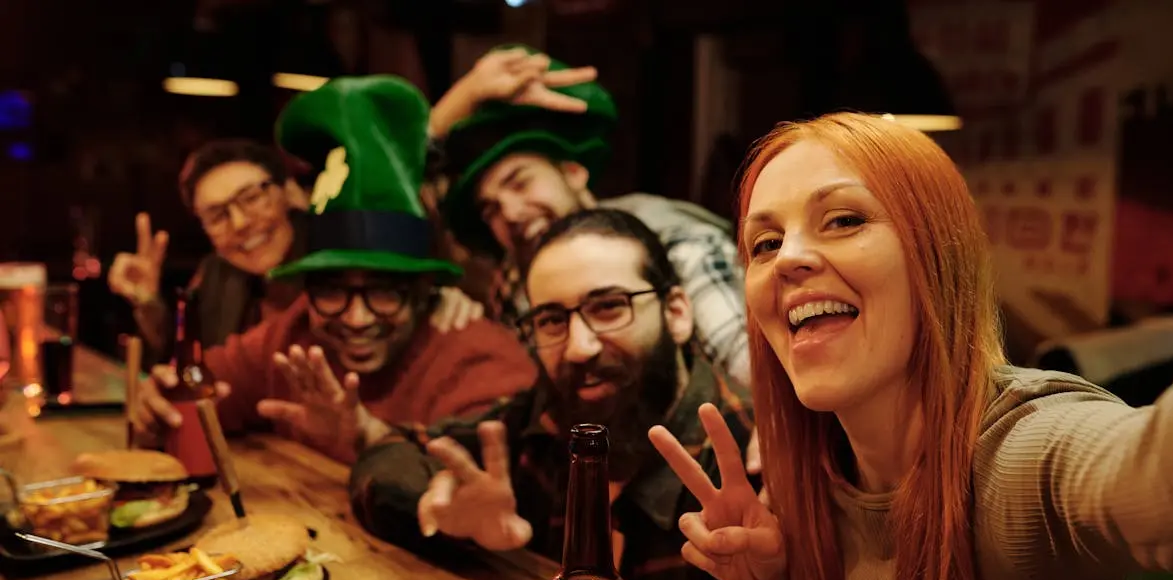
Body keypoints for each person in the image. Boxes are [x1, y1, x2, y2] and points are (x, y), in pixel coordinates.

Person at [648, 112, 1173, 580]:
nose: (788, 258)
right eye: (766, 243)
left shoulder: (1026, 457)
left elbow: (1165, 481)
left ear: (937, 255)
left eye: (843, 220)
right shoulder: (811, 483)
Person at [348, 209, 770, 580]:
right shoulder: (542, 418)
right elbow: (388, 456)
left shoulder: (752, 454)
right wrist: (436, 508)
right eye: (551, 320)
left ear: (676, 313)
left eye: (608, 307)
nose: (578, 347)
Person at [129, 76, 537, 465]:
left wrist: (370, 438)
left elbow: (484, 484)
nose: (356, 318)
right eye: (332, 291)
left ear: (423, 289)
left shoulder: (481, 360)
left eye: (385, 292)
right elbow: (201, 387)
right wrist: (160, 402)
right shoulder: (291, 334)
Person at [430, 45, 752, 393]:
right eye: (490, 209)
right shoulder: (514, 282)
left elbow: (751, 366)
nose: (509, 213)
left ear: (573, 172)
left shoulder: (676, 243)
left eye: (520, 182)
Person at [109, 141, 481, 366]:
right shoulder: (217, 274)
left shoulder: (342, 254)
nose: (240, 222)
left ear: (289, 192)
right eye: (217, 215)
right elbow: (189, 366)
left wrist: (437, 298)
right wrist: (149, 304)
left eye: (251, 198)